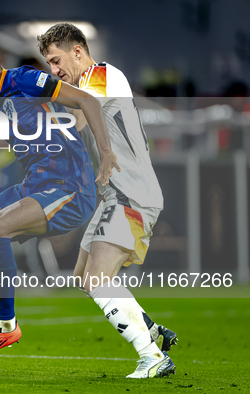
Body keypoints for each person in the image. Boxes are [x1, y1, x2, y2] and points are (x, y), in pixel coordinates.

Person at [0, 34, 119, 369]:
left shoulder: (24, 79)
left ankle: (5, 325)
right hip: (34, 185)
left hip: (69, 186)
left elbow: (88, 102)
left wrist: (105, 152)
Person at [37, 22, 177, 378]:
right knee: (84, 276)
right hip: (117, 193)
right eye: (49, 65)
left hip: (131, 192)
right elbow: (76, 126)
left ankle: (152, 356)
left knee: (98, 277)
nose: (54, 70)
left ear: (78, 52)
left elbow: (79, 114)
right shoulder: (84, 85)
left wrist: (31, 92)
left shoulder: (101, 75)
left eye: (56, 60)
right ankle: (150, 330)